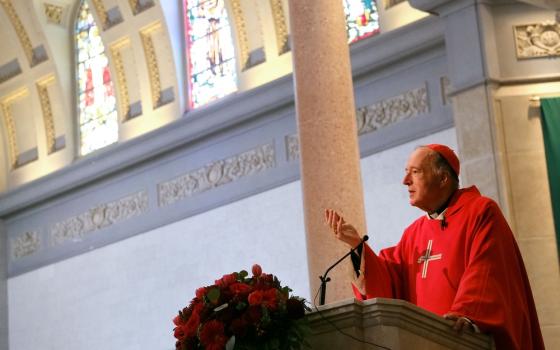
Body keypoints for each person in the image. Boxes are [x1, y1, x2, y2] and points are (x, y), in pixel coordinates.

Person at [325, 144, 545, 350]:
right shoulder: (414, 233)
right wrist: (357, 245)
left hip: (465, 339)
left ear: (443, 178)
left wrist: (467, 312)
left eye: (415, 172)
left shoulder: (480, 212)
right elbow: (389, 279)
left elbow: (488, 270)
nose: (405, 180)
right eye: (406, 171)